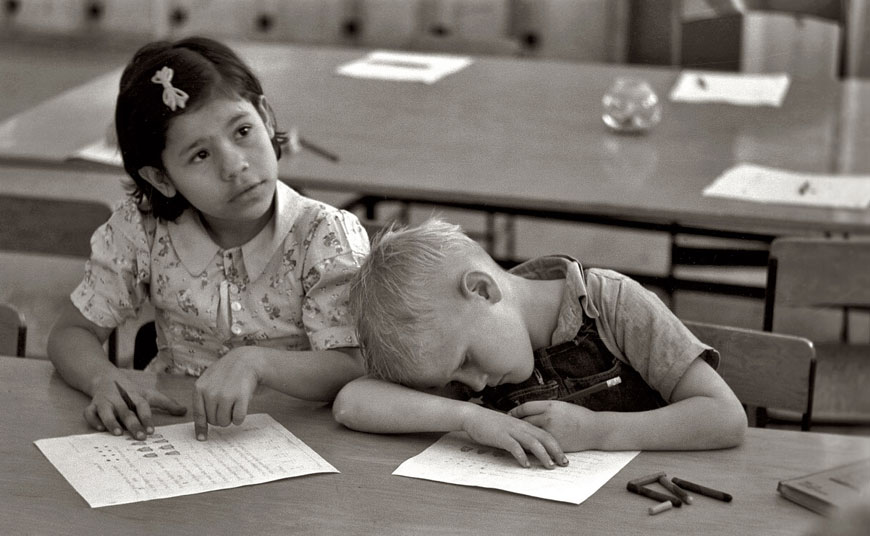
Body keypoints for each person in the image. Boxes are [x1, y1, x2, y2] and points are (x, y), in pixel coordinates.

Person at [48, 37, 369, 442]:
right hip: (177, 438)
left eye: (243, 130)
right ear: (161, 178)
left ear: (267, 118)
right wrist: (102, 378)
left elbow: (350, 364)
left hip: (301, 440)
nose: (234, 165)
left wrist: (256, 363)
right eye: (200, 155)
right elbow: (69, 334)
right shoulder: (143, 231)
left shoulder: (324, 235)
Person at [333, 219, 746, 468]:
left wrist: (597, 431)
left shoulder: (614, 305)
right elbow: (352, 400)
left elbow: (724, 417)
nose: (474, 384)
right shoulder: (449, 342)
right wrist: (469, 419)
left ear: (482, 290)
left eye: (468, 360)